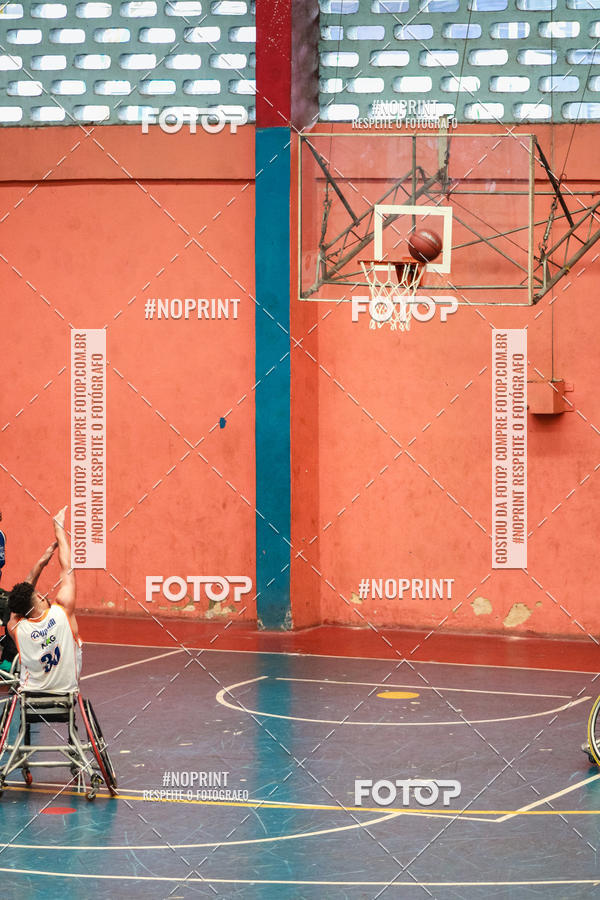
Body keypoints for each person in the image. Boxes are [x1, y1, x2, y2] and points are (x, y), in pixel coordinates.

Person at [7, 507, 81, 693]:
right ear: (39, 596)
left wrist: (40, 563)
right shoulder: (62, 611)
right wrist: (59, 529)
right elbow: (67, 568)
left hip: (30, 696)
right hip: (65, 692)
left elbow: (18, 600)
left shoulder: (15, 627)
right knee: (76, 640)